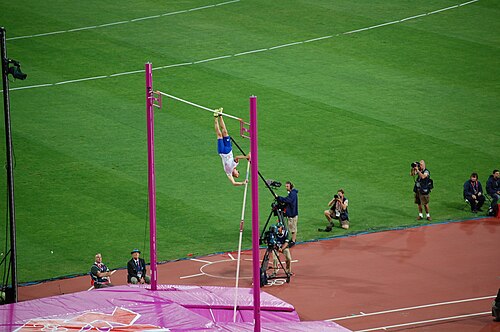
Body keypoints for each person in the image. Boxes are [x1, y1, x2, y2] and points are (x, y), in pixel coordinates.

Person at [214, 108, 250, 186]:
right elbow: (237, 157)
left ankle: (215, 117)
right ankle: (220, 115)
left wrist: (242, 183)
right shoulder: (235, 164)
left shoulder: (229, 173)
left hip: (222, 151)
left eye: (236, 176)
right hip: (229, 148)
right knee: (225, 131)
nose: (236, 175)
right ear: (237, 171)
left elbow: (234, 183)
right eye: (237, 174)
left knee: (219, 134)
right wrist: (246, 157)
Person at [276, 181, 299, 246]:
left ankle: (293, 240)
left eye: (287, 186)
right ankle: (293, 239)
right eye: (286, 186)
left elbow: (287, 200)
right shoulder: (292, 193)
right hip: (292, 213)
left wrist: (278, 198)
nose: (286, 188)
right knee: (291, 227)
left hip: (293, 214)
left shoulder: (292, 194)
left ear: (291, 186)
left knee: (293, 228)